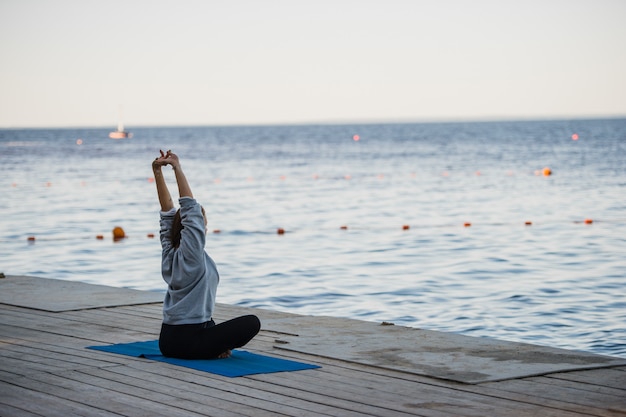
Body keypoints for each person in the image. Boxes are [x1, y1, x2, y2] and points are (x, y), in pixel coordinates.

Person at [152, 150, 260, 359]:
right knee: (252, 322)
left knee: (213, 325)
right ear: (197, 227)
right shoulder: (191, 255)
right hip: (188, 341)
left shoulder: (169, 250)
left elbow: (167, 213)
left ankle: (213, 345)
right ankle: (211, 348)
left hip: (168, 340)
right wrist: (177, 168)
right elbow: (190, 209)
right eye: (202, 224)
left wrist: (157, 171)